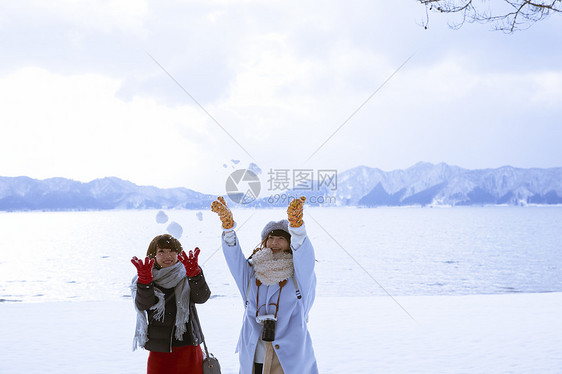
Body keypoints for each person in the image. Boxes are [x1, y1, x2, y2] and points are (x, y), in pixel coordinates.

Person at [211, 196, 319, 374]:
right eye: (270, 238)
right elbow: (233, 258)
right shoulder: (253, 272)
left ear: (290, 242)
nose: (274, 242)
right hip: (254, 354)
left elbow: (304, 255)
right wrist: (228, 228)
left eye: (281, 238)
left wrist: (297, 228)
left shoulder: (299, 275)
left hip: (287, 358)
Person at [130, 234, 211, 374]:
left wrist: (195, 275)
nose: (168, 255)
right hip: (160, 350)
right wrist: (145, 283)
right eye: (161, 251)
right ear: (153, 255)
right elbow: (143, 305)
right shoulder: (146, 277)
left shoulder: (188, 271)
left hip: (189, 346)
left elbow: (202, 297)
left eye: (172, 251)